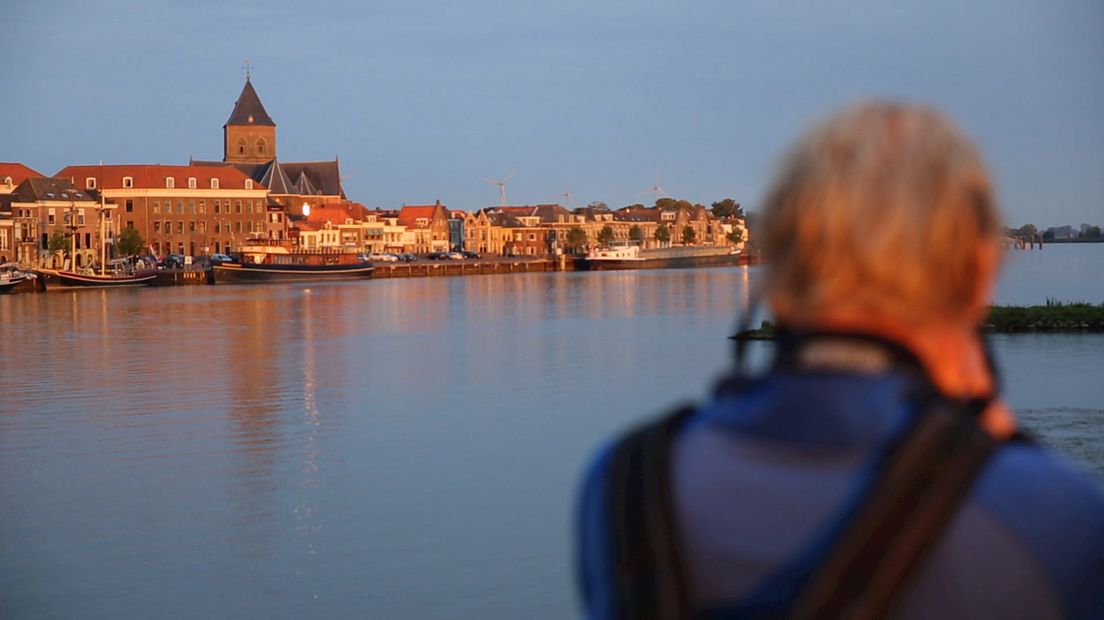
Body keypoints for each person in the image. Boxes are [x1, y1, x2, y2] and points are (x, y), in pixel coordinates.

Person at [576, 101, 1104, 619]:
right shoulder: (1058, 518)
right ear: (980, 272)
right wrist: (1000, 450)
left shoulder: (626, 486)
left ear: (779, 276)